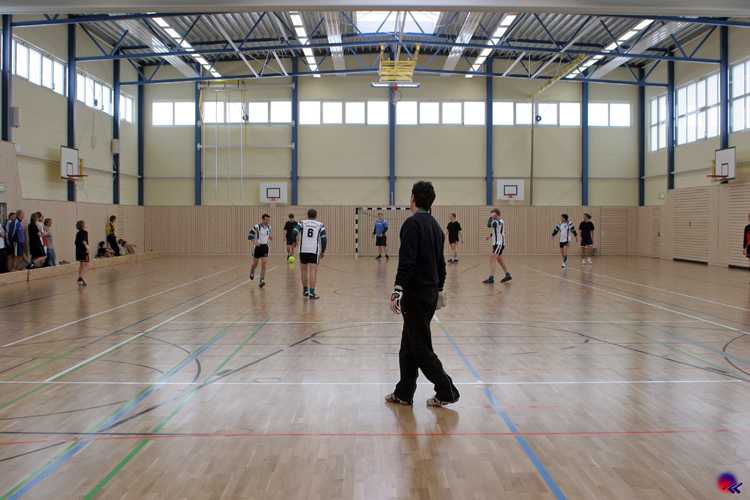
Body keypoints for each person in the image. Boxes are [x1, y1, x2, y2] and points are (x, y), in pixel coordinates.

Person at [386, 181, 459, 408]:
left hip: (415, 295)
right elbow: (441, 264)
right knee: (408, 345)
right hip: (428, 294)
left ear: (413, 199)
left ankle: (447, 390)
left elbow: (407, 262)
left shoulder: (412, 224)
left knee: (420, 348)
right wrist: (439, 289)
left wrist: (397, 289)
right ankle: (404, 392)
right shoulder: (436, 227)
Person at [295, 208, 327, 300]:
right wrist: (323, 251)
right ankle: (312, 293)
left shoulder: (302, 223)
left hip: (303, 250)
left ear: (307, 215)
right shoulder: (320, 225)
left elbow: (294, 232)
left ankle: (305, 291)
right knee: (313, 271)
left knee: (303, 271)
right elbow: (324, 239)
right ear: (316, 215)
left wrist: (294, 241)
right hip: (314, 251)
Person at [482, 208, 512, 284]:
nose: (493, 216)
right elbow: (495, 231)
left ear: (497, 215)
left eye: (494, 215)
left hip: (499, 243)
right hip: (496, 243)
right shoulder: (495, 221)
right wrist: (490, 236)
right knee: (499, 260)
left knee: (492, 258)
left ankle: (491, 278)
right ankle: (507, 274)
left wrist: (491, 217)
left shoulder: (500, 221)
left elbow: (490, 225)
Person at [248, 213, 272, 288]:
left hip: (265, 247)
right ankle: (252, 271)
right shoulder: (257, 227)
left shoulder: (269, 227)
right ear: (263, 219)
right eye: (266, 220)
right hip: (257, 247)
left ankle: (262, 280)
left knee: (264, 263)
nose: (267, 221)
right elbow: (250, 235)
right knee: (255, 264)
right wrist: (255, 242)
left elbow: (268, 235)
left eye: (268, 220)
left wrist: (270, 237)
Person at [75, 220, 89, 287]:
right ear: (82, 225)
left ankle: (80, 279)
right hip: (83, 251)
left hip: (78, 251)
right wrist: (87, 248)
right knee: (86, 264)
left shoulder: (77, 233)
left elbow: (75, 243)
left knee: (81, 265)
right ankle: (81, 278)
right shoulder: (85, 232)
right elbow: (84, 241)